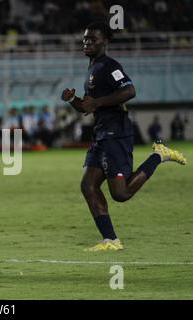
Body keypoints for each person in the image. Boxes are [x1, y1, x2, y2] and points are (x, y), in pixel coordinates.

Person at [61, 21, 187, 252]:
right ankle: (110, 240)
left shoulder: (109, 66)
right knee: (88, 186)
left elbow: (129, 91)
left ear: (105, 41)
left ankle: (159, 155)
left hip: (115, 132)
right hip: (101, 133)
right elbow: (89, 107)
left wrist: (97, 101)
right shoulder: (94, 68)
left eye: (93, 39)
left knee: (121, 193)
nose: (87, 43)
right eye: (85, 39)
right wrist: (72, 100)